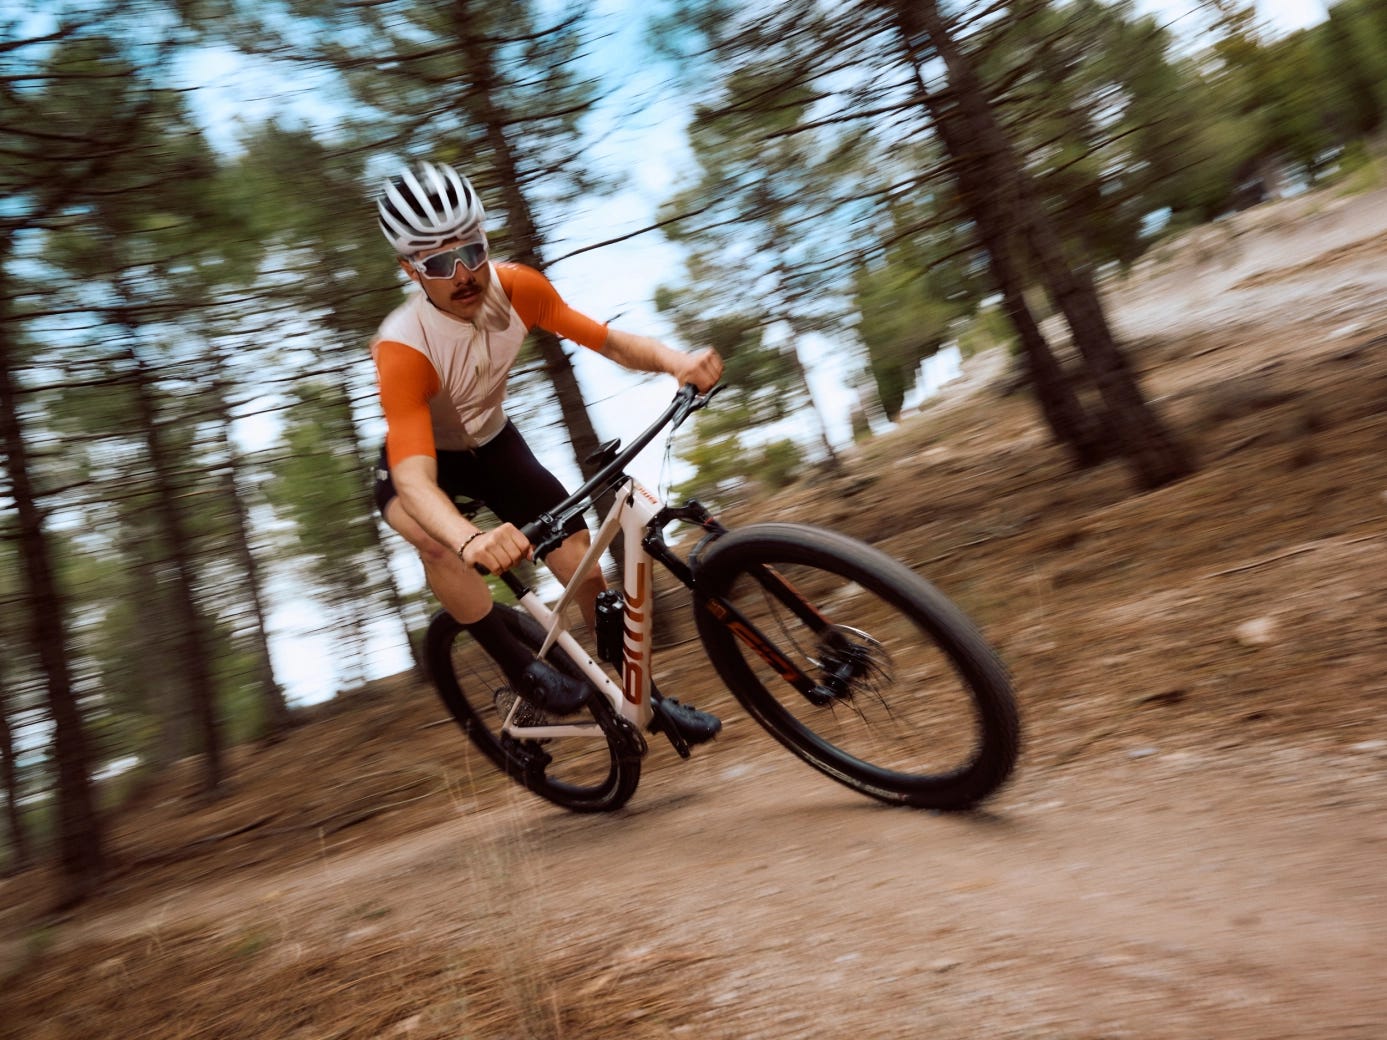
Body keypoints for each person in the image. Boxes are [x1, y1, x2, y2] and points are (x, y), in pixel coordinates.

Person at [370, 160, 723, 742]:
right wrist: (470, 539)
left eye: (472, 251)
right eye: (438, 263)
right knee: (436, 544)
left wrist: (676, 362)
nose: (463, 274)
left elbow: (608, 341)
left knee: (583, 570)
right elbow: (413, 479)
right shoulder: (403, 348)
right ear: (411, 270)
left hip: (494, 443)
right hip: (424, 464)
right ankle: (519, 667)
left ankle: (649, 701)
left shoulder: (518, 289)